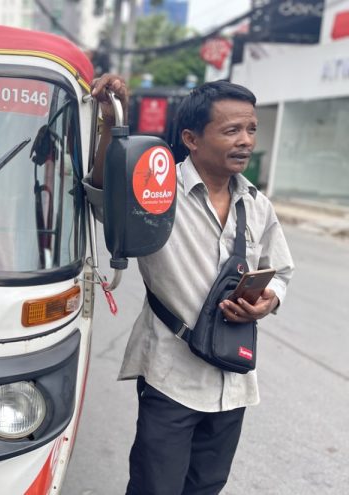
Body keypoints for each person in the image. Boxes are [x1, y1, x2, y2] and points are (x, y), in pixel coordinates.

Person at [90, 75, 295, 494]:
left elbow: (282, 272)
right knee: (155, 487)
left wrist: (268, 301)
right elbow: (103, 189)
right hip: (171, 376)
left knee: (206, 487)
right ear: (191, 138)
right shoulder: (154, 190)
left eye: (251, 129)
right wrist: (110, 122)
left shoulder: (257, 204)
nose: (246, 141)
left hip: (234, 380)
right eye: (231, 130)